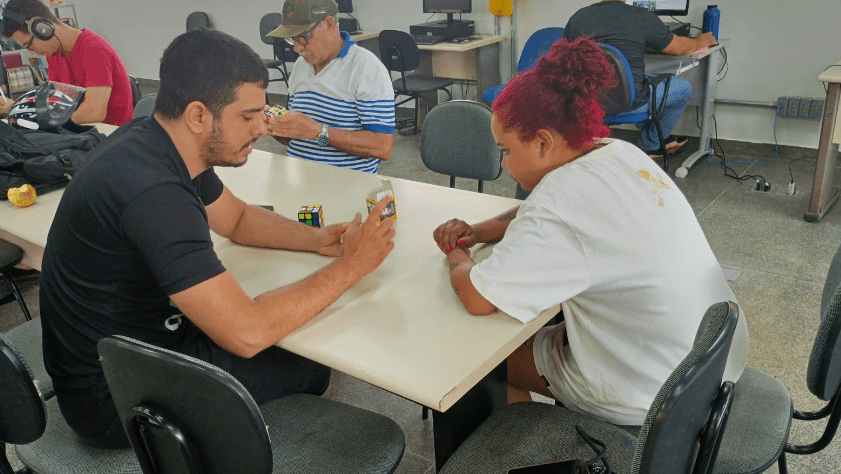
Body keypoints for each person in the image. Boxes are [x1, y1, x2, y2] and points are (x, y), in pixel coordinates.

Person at [39, 29, 395, 449]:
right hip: (117, 401)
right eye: (248, 116)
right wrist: (351, 266)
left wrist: (317, 239)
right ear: (198, 115)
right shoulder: (154, 192)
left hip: (124, 351)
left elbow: (238, 219)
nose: (262, 127)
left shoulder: (157, 141)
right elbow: (247, 332)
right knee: (309, 365)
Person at [432, 37, 748, 427]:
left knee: (481, 356)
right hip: (710, 358)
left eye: (507, 150)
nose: (505, 164)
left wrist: (456, 254)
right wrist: (478, 232)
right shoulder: (616, 152)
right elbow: (539, 212)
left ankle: (522, 453)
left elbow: (477, 297)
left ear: (543, 141)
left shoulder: (559, 203)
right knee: (530, 330)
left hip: (654, 392)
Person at [563, 0, 718, 157]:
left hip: (587, 103)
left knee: (642, 80)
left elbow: (564, 57)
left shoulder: (578, 17)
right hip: (631, 104)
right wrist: (701, 41)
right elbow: (680, 48)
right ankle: (651, 143)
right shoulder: (642, 17)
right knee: (684, 88)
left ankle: (650, 133)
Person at [264, 0, 394, 173]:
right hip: (299, 181)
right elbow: (298, 136)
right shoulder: (301, 66)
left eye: (303, 37)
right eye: (292, 39)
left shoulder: (366, 68)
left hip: (346, 187)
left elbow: (382, 147)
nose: (296, 48)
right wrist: (275, 127)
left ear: (329, 23)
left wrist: (318, 132)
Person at [1, 0, 133, 125]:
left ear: (43, 29)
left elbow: (94, 112)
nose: (30, 52)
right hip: (83, 134)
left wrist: (41, 121)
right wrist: (18, 107)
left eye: (28, 44)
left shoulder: (94, 49)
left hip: (111, 136)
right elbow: (55, 102)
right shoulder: (54, 54)